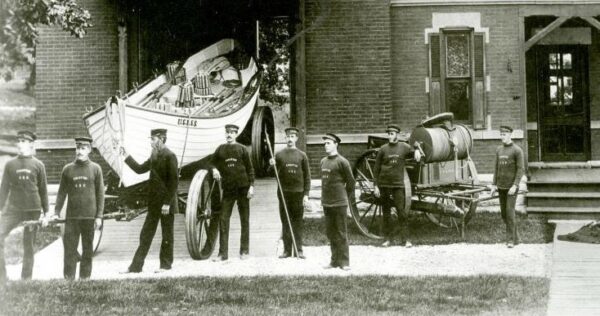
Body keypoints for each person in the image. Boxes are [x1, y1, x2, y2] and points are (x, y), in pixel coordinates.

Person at [120, 128, 178, 272]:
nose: (151, 142)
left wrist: (167, 203)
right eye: (151, 139)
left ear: (162, 139)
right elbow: (140, 169)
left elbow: (173, 182)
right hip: (154, 202)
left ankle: (165, 265)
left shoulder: (170, 156)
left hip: (166, 203)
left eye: (153, 139)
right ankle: (136, 267)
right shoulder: (154, 155)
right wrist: (126, 156)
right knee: (145, 234)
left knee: (167, 234)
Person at [52, 137, 104, 279]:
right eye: (77, 148)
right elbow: (61, 193)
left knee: (88, 250)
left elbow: (100, 195)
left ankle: (85, 279)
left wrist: (99, 216)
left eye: (82, 148)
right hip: (72, 217)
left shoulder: (96, 169)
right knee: (70, 250)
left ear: (89, 150)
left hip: (89, 217)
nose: (79, 151)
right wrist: (56, 212)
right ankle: (69, 279)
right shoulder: (68, 169)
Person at [0, 130, 49, 283]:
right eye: (19, 141)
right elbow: (4, 189)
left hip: (32, 211)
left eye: (24, 141)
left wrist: (46, 213)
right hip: (13, 210)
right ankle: (2, 277)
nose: (20, 144)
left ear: (31, 144)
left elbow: (43, 190)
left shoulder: (38, 165)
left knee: (28, 245)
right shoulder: (10, 164)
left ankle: (26, 279)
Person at [210, 124, 254, 261]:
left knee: (244, 220)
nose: (229, 135)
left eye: (232, 133)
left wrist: (251, 186)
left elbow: (250, 170)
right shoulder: (220, 149)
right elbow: (210, 163)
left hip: (243, 189)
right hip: (228, 190)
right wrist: (214, 170)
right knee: (223, 220)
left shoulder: (242, 149)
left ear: (236, 134)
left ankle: (244, 251)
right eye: (227, 132)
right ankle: (223, 254)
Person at [373, 124, 421, 248]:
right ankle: (388, 239)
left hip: (397, 185)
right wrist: (376, 186)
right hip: (384, 184)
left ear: (397, 135)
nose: (390, 136)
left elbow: (414, 148)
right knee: (386, 212)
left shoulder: (404, 147)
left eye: (392, 134)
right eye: (388, 134)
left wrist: (416, 149)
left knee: (401, 211)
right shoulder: (383, 149)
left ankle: (406, 240)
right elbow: (376, 168)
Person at [269, 127, 311, 259]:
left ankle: (298, 250)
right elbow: (272, 174)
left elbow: (307, 177)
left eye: (293, 136)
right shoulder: (279, 155)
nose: (290, 139)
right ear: (285, 138)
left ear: (296, 139)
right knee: (285, 222)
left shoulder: (302, 155)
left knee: (297, 222)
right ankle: (287, 250)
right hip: (283, 193)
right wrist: (271, 165)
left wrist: (306, 194)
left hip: (298, 193)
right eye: (288, 136)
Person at [320, 133, 354, 270]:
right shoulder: (323, 161)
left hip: (339, 203)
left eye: (328, 143)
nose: (326, 146)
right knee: (331, 232)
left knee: (341, 232)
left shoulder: (342, 162)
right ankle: (334, 261)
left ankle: (344, 262)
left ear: (336, 144)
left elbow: (351, 182)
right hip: (327, 203)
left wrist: (344, 195)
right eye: (325, 143)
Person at [490, 125, 524, 248]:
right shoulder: (499, 150)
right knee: (504, 214)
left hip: (511, 188)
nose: (502, 137)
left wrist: (515, 185)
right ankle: (517, 238)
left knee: (510, 213)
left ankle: (510, 240)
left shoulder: (517, 150)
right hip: (501, 187)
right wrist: (494, 185)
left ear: (510, 135)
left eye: (504, 135)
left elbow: (521, 170)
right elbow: (496, 168)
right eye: (501, 135)